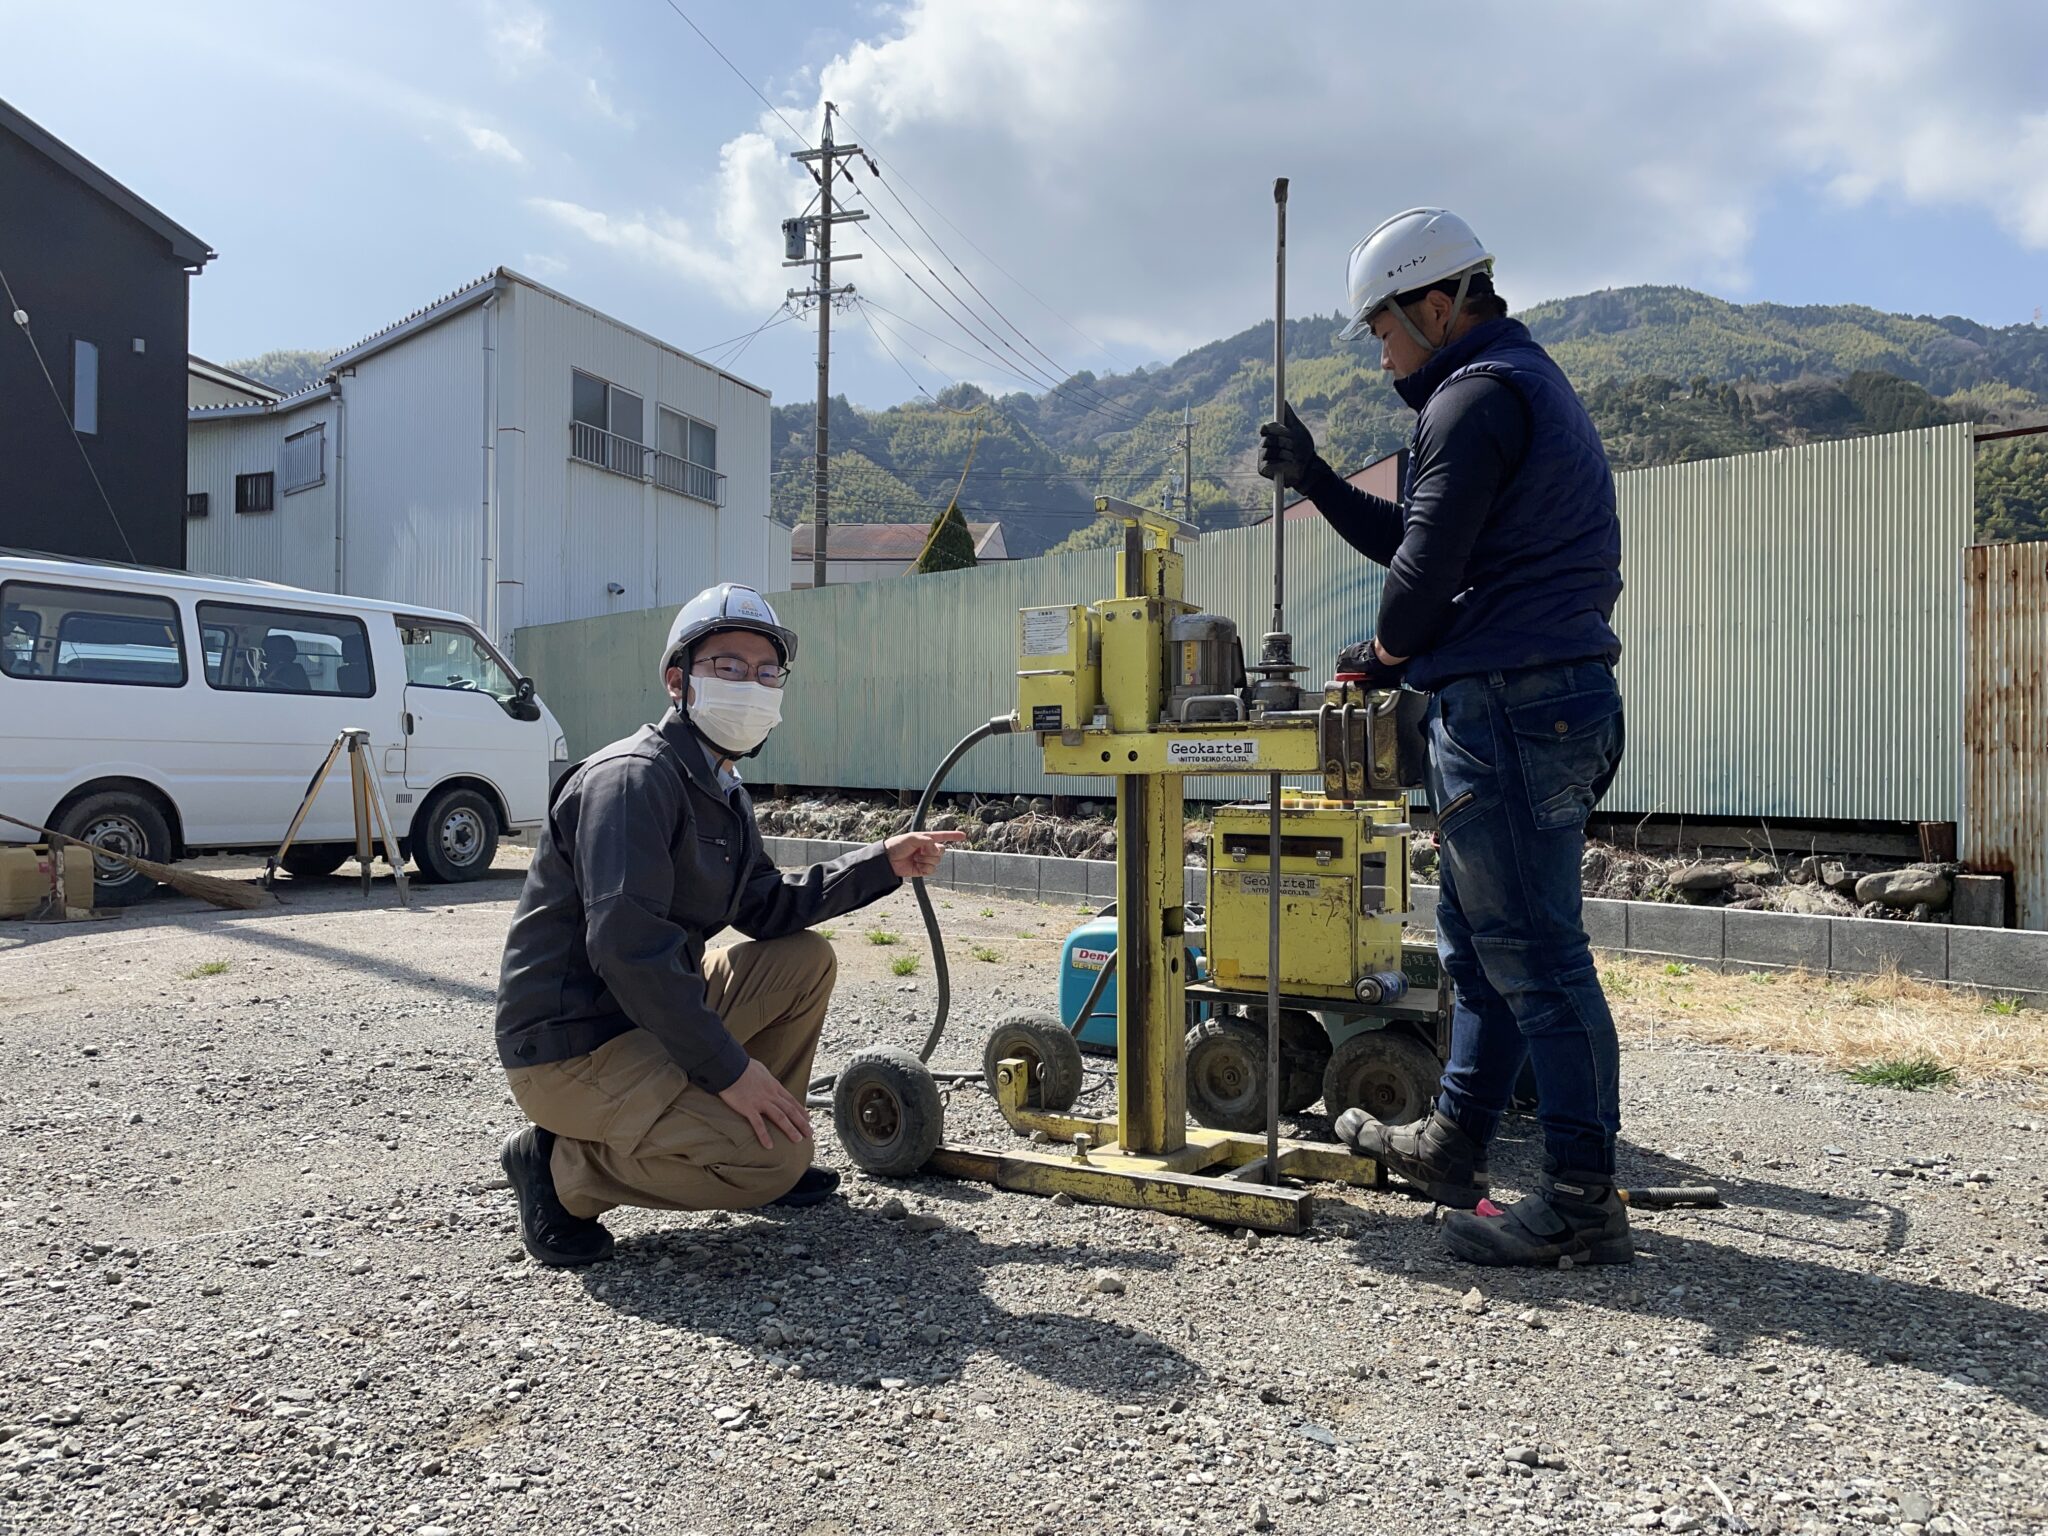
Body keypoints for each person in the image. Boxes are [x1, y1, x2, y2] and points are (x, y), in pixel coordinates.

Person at [1258, 208, 1629, 1268]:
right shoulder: (1508, 386)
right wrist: (1320, 481)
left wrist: (1377, 655)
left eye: (1382, 331)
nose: (1381, 356)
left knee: (1535, 960)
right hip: (1543, 698)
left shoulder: (1472, 399)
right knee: (1484, 946)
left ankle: (1576, 1198)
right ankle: (1453, 1143)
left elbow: (1418, 584)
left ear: (1435, 304)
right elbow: (1420, 539)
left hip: (1510, 706)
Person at [493, 583, 961, 1266]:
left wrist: (881, 863)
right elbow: (628, 950)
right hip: (574, 1045)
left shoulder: (718, 785)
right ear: (677, 680)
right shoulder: (631, 780)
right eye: (729, 667)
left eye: (767, 673)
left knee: (802, 962)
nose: (752, 685)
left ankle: (758, 1132)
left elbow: (768, 907)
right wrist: (730, 1070)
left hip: (639, 1020)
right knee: (768, 1163)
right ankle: (561, 1168)